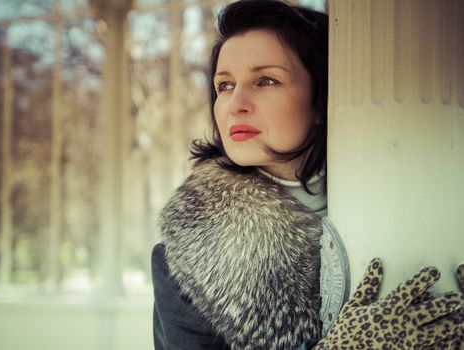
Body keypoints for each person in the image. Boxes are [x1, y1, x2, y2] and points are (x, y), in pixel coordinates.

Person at [151, 0, 464, 349]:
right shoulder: (183, 262)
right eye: (224, 85)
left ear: (321, 99)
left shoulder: (432, 196)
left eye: (266, 80)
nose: (236, 102)